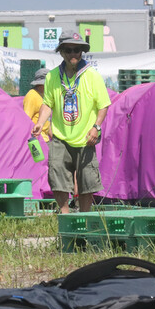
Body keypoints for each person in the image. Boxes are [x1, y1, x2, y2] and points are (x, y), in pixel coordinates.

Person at [32, 31, 110, 214]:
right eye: (68, 50)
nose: (73, 54)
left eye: (77, 50)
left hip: (86, 138)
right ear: (61, 52)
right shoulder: (52, 77)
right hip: (60, 137)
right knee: (57, 176)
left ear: (82, 52)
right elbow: (47, 104)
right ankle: (65, 215)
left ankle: (83, 218)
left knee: (87, 182)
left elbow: (104, 105)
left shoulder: (92, 75)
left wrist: (96, 127)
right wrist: (40, 122)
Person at [23, 67, 50, 142]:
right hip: (37, 139)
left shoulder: (45, 96)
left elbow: (48, 121)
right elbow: (26, 120)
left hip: (45, 139)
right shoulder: (32, 96)